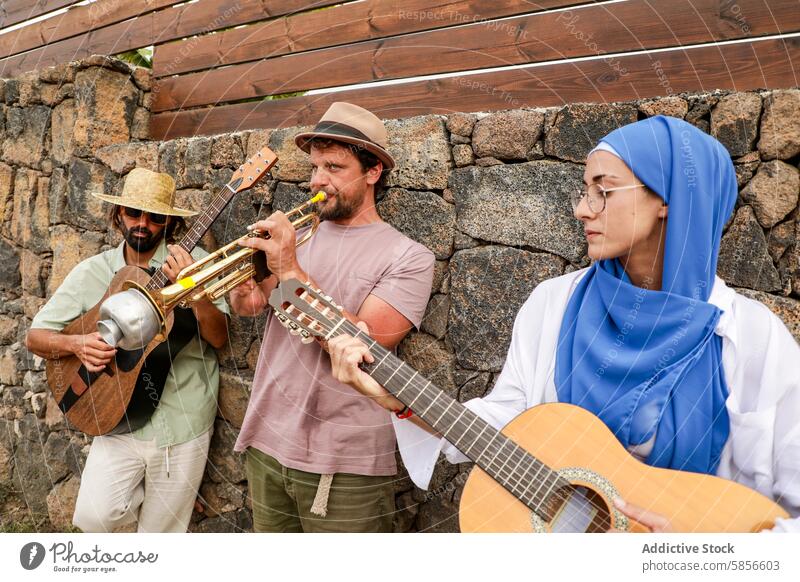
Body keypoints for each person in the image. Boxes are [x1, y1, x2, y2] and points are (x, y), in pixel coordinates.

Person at [327, 115, 800, 532]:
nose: (581, 209)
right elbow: (511, 421)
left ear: (670, 200)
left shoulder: (755, 338)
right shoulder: (553, 303)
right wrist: (404, 401)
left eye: (604, 190)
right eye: (584, 189)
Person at [228, 102, 435, 532]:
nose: (317, 180)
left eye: (334, 167)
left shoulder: (409, 258)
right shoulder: (299, 235)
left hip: (344, 463)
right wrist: (241, 283)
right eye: (316, 166)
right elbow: (250, 306)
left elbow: (368, 349)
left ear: (373, 171)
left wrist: (290, 270)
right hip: (268, 442)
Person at [26, 168, 229, 532]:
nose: (143, 224)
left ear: (169, 222)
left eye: (155, 217)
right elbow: (36, 337)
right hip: (115, 417)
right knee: (94, 516)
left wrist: (195, 290)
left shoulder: (194, 262)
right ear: (117, 215)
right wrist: (78, 344)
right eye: (134, 213)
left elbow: (219, 338)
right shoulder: (94, 271)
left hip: (183, 420)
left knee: (162, 535)